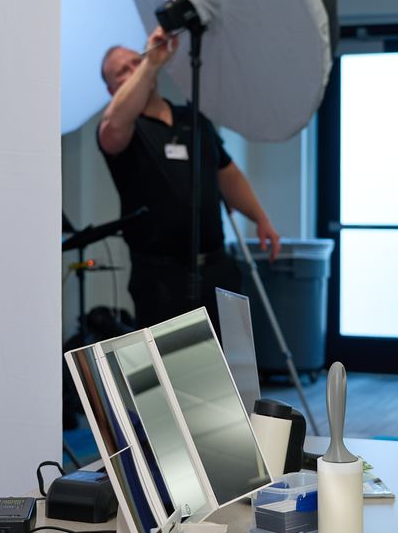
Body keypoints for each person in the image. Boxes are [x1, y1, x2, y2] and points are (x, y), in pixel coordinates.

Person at [97, 29, 281, 328]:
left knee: (226, 366)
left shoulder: (191, 118)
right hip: (160, 278)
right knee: (172, 371)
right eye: (123, 71)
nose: (135, 70)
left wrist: (260, 218)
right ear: (110, 90)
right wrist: (150, 63)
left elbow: (228, 172)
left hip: (216, 268)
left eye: (136, 62)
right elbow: (113, 125)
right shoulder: (121, 129)